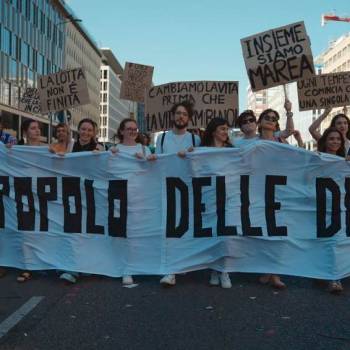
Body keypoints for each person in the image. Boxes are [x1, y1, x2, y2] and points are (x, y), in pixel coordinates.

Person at [155, 101, 200, 287]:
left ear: (188, 118)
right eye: (178, 113)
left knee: (185, 228)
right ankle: (170, 270)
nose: (180, 116)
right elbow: (156, 162)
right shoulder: (162, 139)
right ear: (173, 116)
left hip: (187, 189)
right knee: (169, 229)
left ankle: (183, 263)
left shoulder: (195, 139)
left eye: (184, 114)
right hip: (166, 188)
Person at [110, 119, 156, 285]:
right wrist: (108, 156)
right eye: (129, 128)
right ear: (121, 131)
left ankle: (140, 265)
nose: (132, 131)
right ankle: (126, 268)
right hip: (120, 197)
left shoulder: (143, 148)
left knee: (139, 232)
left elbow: (152, 171)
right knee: (123, 235)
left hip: (140, 197)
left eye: (135, 129)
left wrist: (147, 160)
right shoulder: (114, 149)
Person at [256, 110, 287, 289]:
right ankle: (266, 269)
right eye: (267, 118)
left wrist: (289, 111)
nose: (270, 121)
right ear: (260, 122)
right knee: (263, 232)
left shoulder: (281, 141)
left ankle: (274, 273)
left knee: (278, 231)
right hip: (258, 190)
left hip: (279, 190)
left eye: (274, 119)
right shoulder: (252, 143)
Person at [200, 117, 233, 288]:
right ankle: (214, 269)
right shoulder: (202, 151)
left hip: (228, 197)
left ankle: (225, 270)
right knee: (212, 234)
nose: (225, 132)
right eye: (222, 129)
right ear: (213, 132)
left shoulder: (233, 150)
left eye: (227, 129)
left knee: (226, 234)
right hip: (209, 197)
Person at [16, 119, 46, 282]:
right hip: (25, 193)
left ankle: (41, 262)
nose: (37, 131)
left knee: (43, 229)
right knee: (26, 229)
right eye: (33, 128)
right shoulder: (18, 150)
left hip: (44, 194)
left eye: (38, 128)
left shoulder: (48, 149)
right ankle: (28, 266)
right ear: (25, 131)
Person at [317, 127, 346, 293]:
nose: (335, 142)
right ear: (325, 141)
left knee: (337, 241)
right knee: (321, 241)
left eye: (338, 139)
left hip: (340, 208)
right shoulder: (316, 158)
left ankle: (335, 279)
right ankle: (321, 272)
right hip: (318, 207)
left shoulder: (345, 161)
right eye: (331, 139)